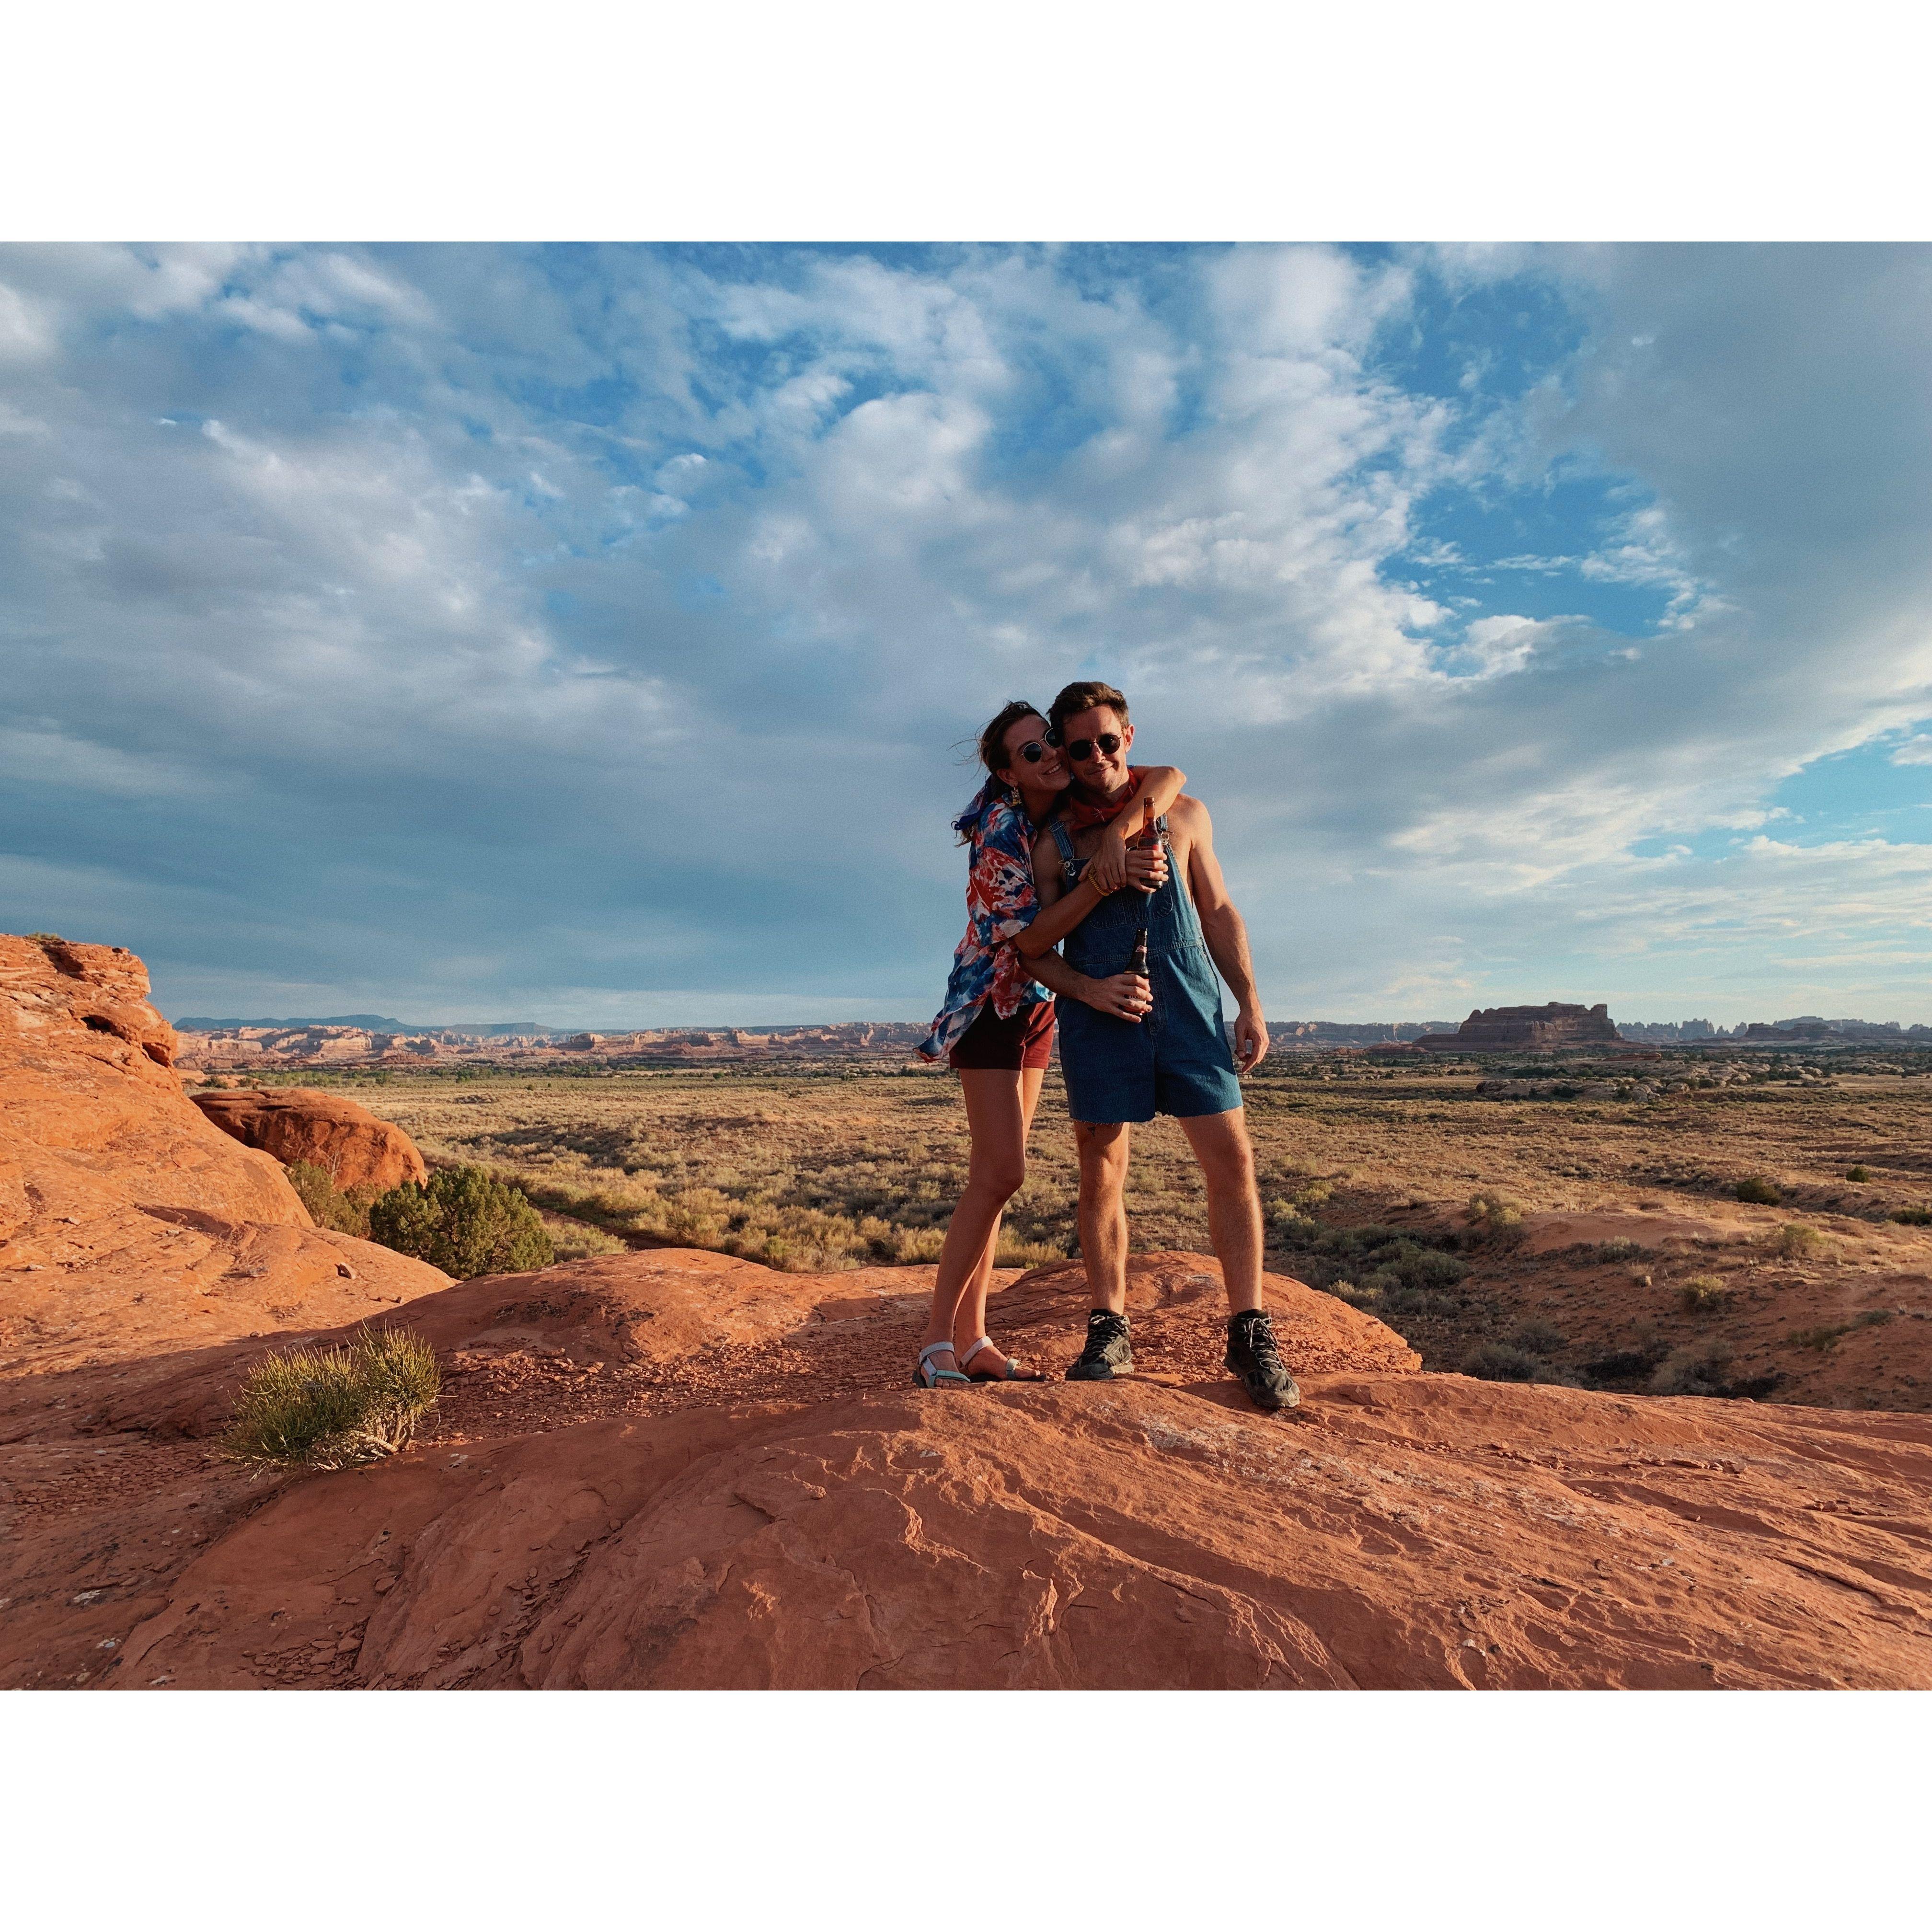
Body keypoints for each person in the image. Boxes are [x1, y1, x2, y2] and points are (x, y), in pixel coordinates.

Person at [1031, 679, 1300, 1412]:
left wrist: (1250, 1003)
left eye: (1107, 741)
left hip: (1189, 1007)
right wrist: (1085, 988)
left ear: (1130, 737)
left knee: (1233, 1161)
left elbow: (1215, 908)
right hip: (1099, 1017)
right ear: (1064, 751)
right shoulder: (1053, 842)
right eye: (1079, 746)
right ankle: (1109, 1326)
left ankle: (1249, 1328)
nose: (1095, 757)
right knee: (1103, 1170)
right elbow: (1035, 950)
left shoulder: (1184, 814)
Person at [911, 701, 1184, 1388]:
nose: (1055, 759)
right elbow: (1025, 940)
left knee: (1002, 1183)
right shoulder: (1004, 830)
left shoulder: (1056, 822)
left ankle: (974, 1340)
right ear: (1008, 772)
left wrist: (1119, 832)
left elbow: (1170, 776)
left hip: (1033, 1006)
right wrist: (1104, 875)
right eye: (1033, 753)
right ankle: (934, 1343)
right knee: (999, 1175)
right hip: (989, 1010)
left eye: (1052, 745)